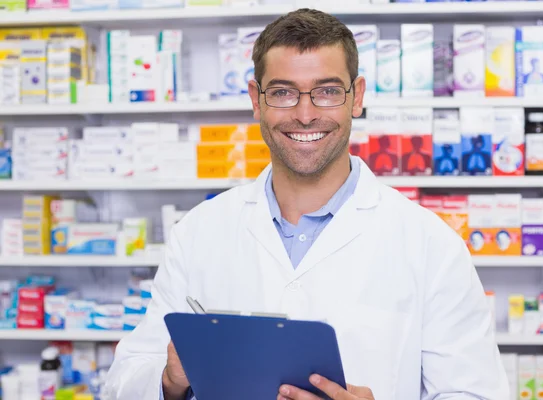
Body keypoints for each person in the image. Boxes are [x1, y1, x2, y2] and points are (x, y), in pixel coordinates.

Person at [106, 8, 509, 400]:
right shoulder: (199, 232)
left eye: (327, 91)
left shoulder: (431, 245)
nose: (304, 114)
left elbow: (476, 392)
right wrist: (169, 380)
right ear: (256, 99)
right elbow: (123, 380)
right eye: (282, 92)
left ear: (357, 97)